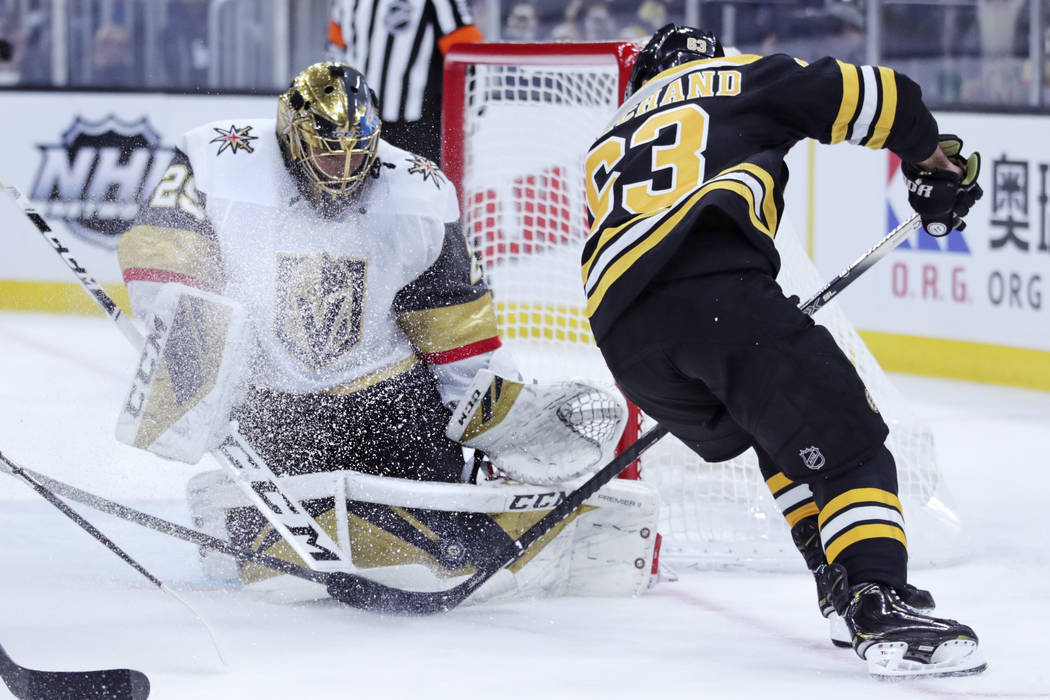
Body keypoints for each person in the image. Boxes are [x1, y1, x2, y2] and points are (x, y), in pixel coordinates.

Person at [115, 60, 655, 602]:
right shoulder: (217, 157)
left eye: (360, 152)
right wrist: (195, 366)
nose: (345, 169)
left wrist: (500, 414)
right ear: (293, 136)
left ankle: (523, 531)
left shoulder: (419, 192)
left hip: (388, 396)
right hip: (272, 406)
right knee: (283, 575)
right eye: (330, 152)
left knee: (458, 549)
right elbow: (165, 259)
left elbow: (456, 328)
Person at [582, 25, 984, 678]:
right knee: (847, 439)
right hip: (716, 298)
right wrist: (929, 161)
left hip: (626, 342)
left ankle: (836, 582)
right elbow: (885, 96)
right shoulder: (737, 78)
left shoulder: (613, 131)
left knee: (778, 425)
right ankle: (877, 595)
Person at [325, 0, 484, 164]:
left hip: (419, 127)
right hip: (359, 125)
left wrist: (469, 117)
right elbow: (336, 51)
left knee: (420, 188)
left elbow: (469, 56)